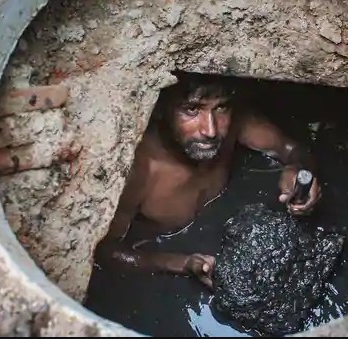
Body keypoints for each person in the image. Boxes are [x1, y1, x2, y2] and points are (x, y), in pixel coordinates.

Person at [95, 74, 322, 288]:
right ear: (160, 109)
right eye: (192, 110)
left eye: (221, 107)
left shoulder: (235, 122)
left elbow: (291, 148)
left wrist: (299, 170)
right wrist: (180, 264)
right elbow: (105, 250)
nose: (210, 130)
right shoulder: (139, 169)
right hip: (162, 251)